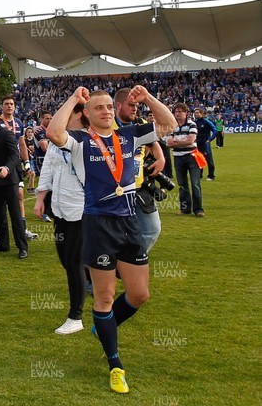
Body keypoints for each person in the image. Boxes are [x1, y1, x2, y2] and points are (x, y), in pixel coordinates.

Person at [46, 85, 176, 394]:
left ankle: (104, 326)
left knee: (140, 294)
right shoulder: (79, 141)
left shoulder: (129, 135)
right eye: (98, 107)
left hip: (129, 221)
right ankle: (115, 365)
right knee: (104, 297)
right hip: (98, 225)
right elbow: (53, 132)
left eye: (108, 106)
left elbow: (169, 125)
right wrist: (74, 99)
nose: (105, 110)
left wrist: (147, 99)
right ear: (88, 114)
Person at [34, 103, 88, 335]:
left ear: (78, 114)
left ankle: (76, 316)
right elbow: (48, 167)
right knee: (66, 260)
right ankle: (110, 270)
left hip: (81, 210)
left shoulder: (88, 139)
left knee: (74, 263)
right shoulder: (58, 142)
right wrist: (40, 197)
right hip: (60, 208)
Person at [114, 88, 165, 252]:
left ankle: (130, 261)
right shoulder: (108, 124)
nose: (135, 108)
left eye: (137, 105)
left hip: (139, 187)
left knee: (152, 229)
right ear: (118, 106)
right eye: (131, 105)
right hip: (115, 191)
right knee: (113, 234)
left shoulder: (141, 123)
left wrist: (161, 158)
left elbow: (155, 139)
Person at [0, 108, 29, 259]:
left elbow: (14, 155)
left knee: (15, 215)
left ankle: (22, 247)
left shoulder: (6, 134)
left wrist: (6, 168)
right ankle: (3, 244)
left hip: (10, 181)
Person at [0, 95, 38, 238]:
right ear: (2, 106)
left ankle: (23, 229)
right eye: (6, 103)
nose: (9, 106)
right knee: (2, 197)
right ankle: (0, 227)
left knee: (20, 195)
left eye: (11, 104)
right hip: (1, 162)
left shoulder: (19, 123)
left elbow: (22, 144)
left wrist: (26, 162)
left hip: (15, 163)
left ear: (15, 107)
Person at [166, 103, 204, 217]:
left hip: (191, 156)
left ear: (186, 113)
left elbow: (191, 140)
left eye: (180, 112)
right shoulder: (172, 125)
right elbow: (168, 143)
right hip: (178, 157)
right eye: (176, 112)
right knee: (182, 185)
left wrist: (176, 142)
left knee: (195, 183)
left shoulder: (192, 124)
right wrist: (183, 141)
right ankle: (185, 208)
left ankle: (198, 209)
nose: (177, 114)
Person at [194, 108, 216, 181]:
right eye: (195, 112)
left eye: (197, 112)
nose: (195, 114)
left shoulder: (207, 122)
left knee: (209, 160)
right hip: (197, 144)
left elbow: (215, 130)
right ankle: (199, 175)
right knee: (198, 160)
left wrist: (209, 139)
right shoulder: (195, 123)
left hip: (205, 144)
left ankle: (211, 176)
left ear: (201, 113)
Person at [23, 127, 38, 194]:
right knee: (31, 174)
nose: (30, 133)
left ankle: (30, 188)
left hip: (33, 159)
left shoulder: (34, 141)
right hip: (27, 159)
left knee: (32, 174)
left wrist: (34, 149)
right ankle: (30, 189)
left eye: (31, 132)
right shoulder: (24, 141)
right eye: (28, 132)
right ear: (26, 133)